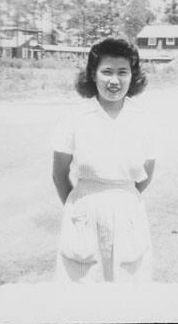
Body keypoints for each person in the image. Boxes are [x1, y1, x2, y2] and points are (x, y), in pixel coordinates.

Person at [50, 37, 157, 283]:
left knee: (129, 295)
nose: (114, 81)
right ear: (93, 74)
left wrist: (120, 196)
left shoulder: (144, 120)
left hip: (129, 212)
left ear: (134, 76)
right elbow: (59, 175)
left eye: (123, 72)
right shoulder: (73, 118)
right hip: (84, 214)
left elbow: (146, 176)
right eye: (106, 72)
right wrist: (80, 205)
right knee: (82, 297)